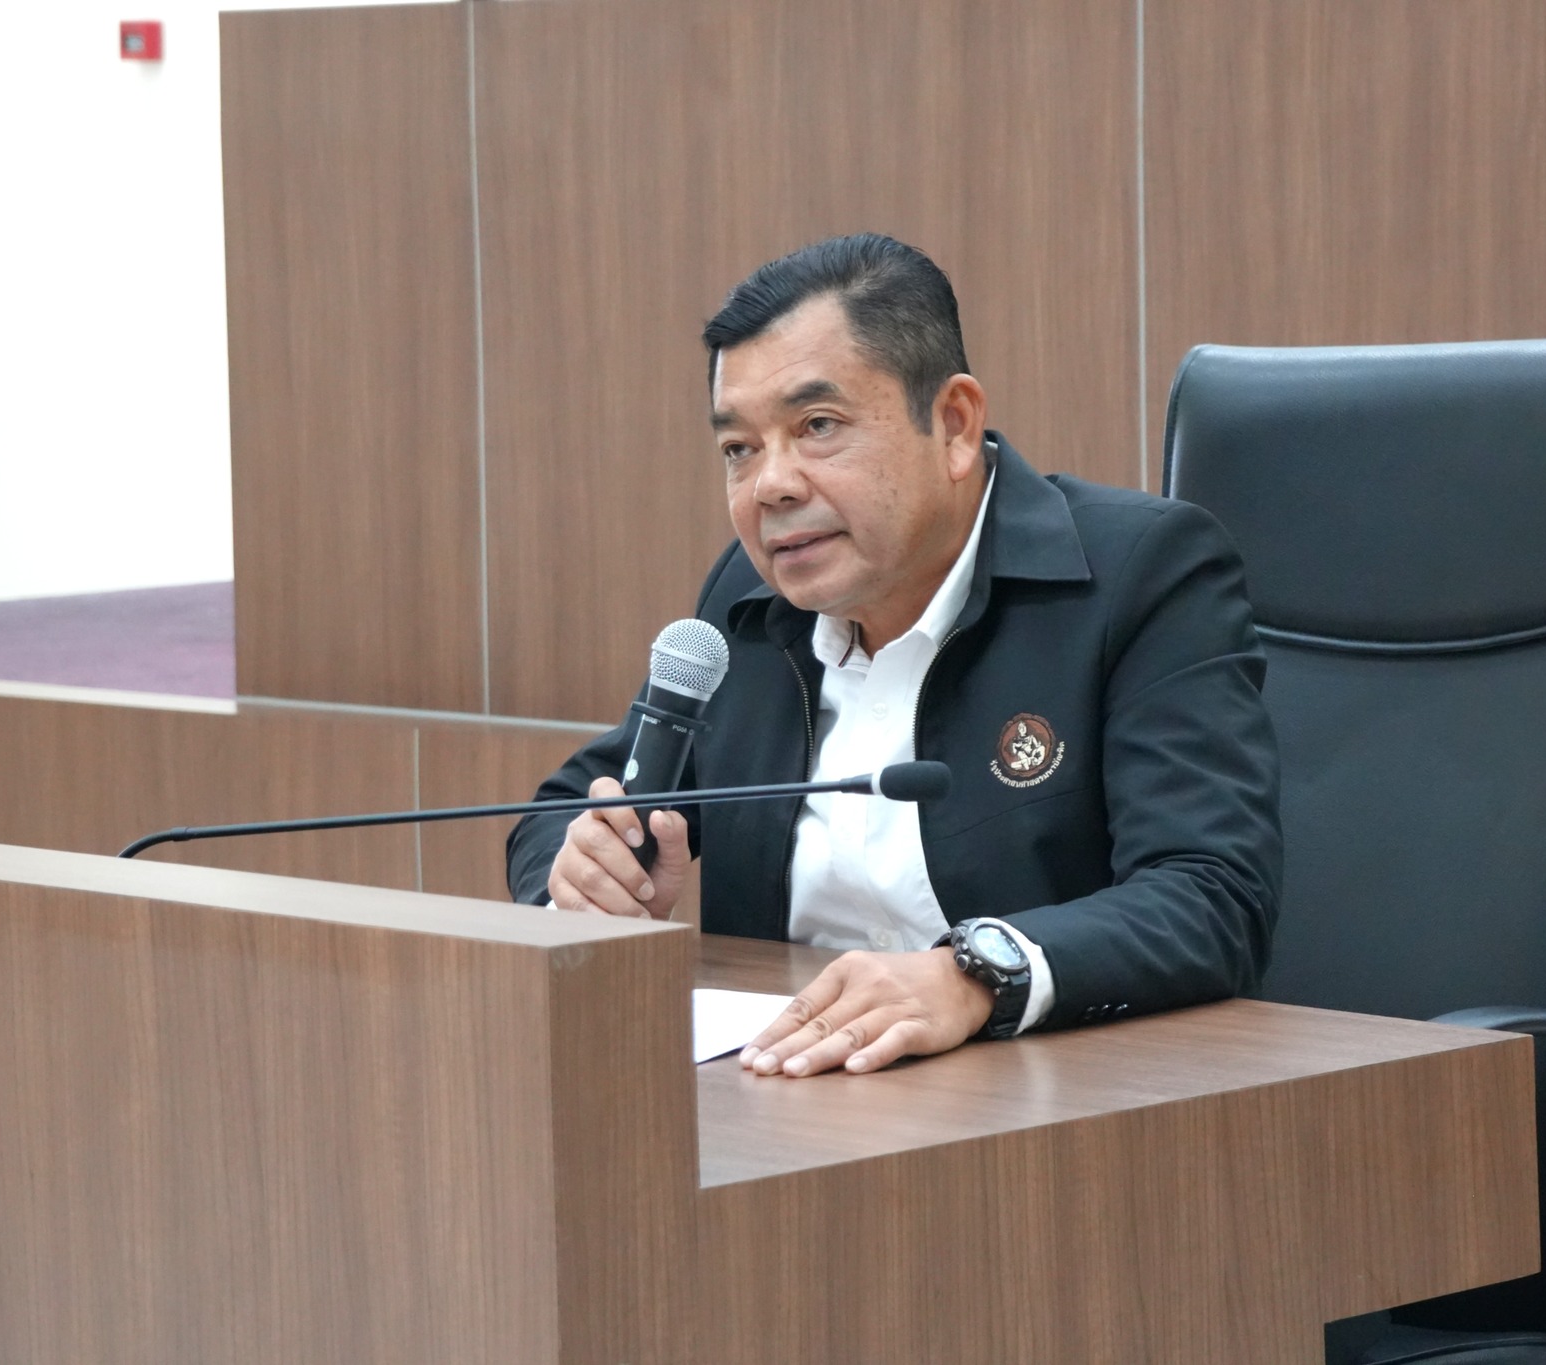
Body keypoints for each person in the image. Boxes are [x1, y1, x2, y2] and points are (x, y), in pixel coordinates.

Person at [507, 233, 1280, 1079]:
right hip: (785, 1094)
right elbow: (571, 804)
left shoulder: (1137, 576)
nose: (770, 485)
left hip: (1053, 1102)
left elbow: (1212, 894)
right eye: (739, 448)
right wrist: (583, 875)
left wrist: (976, 973)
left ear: (953, 425)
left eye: (818, 426)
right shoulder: (749, 601)